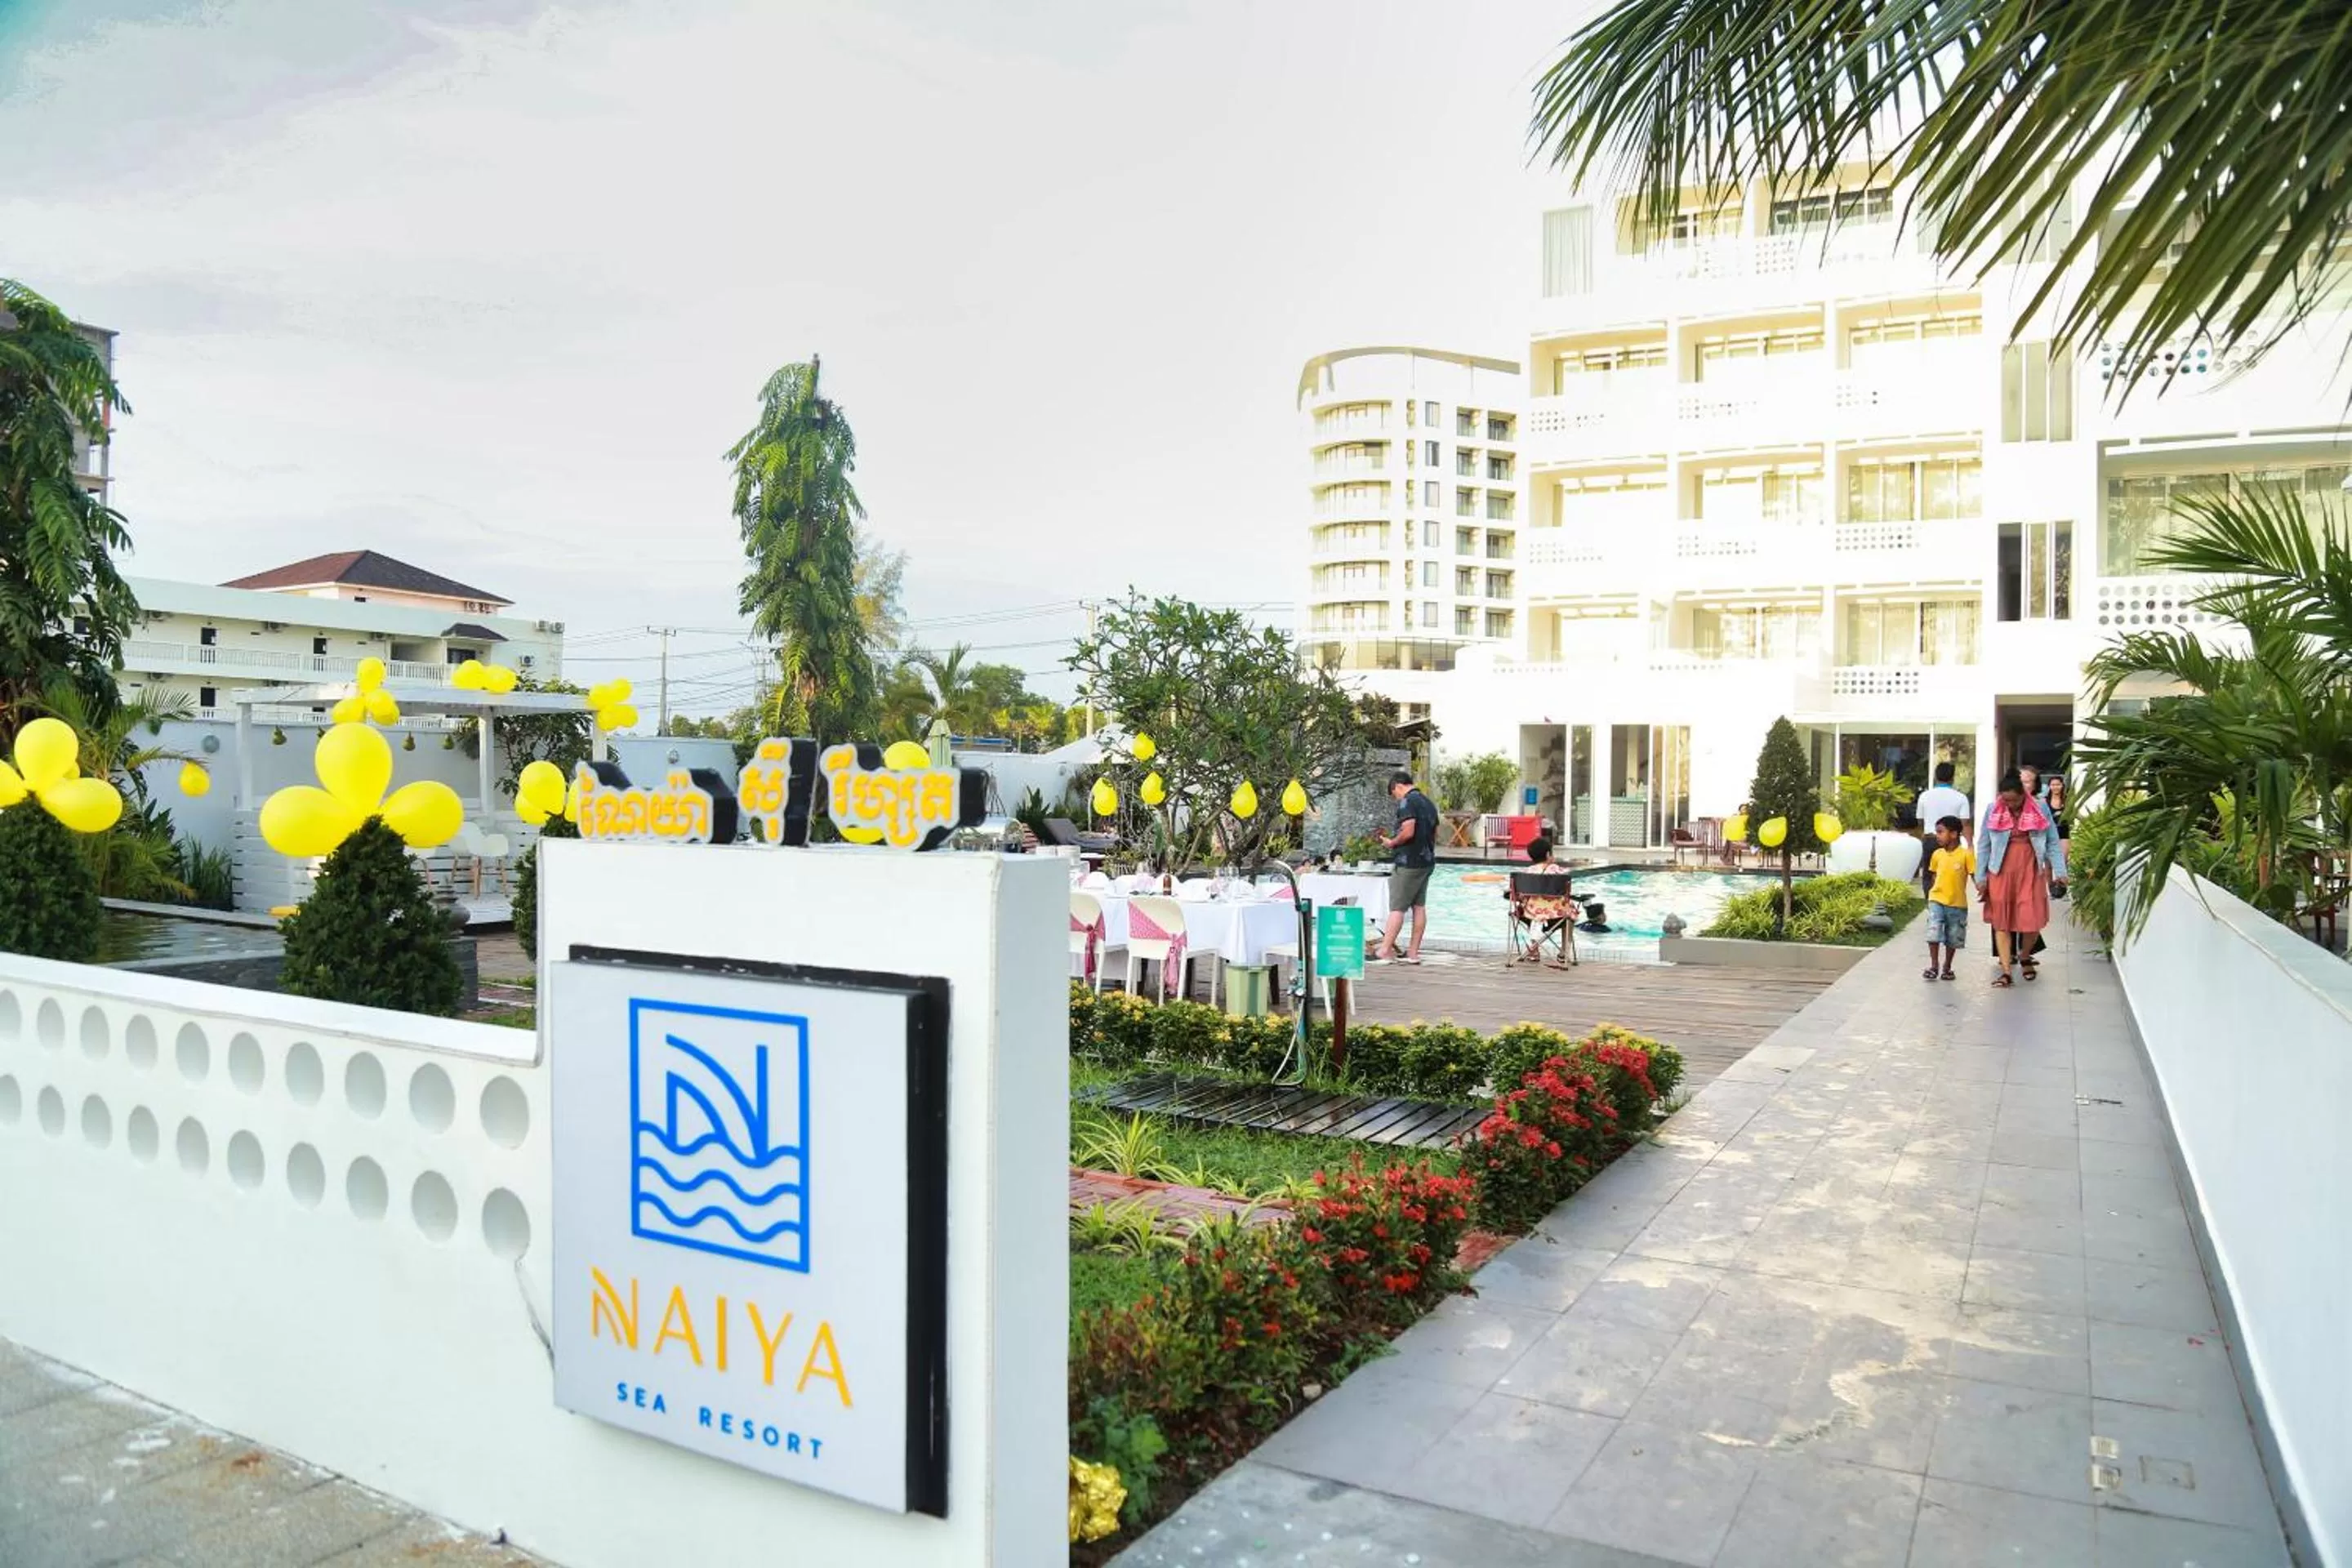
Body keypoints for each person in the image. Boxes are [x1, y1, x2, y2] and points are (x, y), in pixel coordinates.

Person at [1976, 769, 2066, 988]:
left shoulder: (2040, 807)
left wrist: (2060, 871)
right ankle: (2006, 971)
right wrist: (1980, 876)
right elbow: (1984, 844)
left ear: (2023, 794)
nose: (2010, 805)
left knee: (2031, 920)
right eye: (2006, 800)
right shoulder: (1993, 809)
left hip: (2030, 869)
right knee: (2001, 922)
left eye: (2014, 801)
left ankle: (2025, 955)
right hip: (2000, 871)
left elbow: (2052, 842)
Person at [1374, 769, 1437, 963]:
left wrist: (1392, 843)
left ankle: (1385, 950)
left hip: (1408, 862)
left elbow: (1408, 831)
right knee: (1419, 907)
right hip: (1427, 861)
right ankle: (1413, 952)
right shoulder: (1429, 803)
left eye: (1395, 794)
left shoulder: (1407, 802)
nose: (1397, 799)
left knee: (1397, 908)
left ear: (1399, 786)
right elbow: (1434, 833)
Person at [1505, 835, 1574, 963]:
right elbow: (1567, 890)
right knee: (1571, 911)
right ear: (1548, 854)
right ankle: (1564, 952)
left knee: (1529, 907)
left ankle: (1534, 950)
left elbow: (1515, 895)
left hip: (1530, 916)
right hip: (1557, 917)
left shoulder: (1525, 874)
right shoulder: (1559, 871)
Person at [1922, 815, 1975, 982]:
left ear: (1953, 834)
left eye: (1940, 832)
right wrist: (1930, 895)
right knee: (1933, 932)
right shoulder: (1937, 854)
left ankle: (1947, 967)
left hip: (1957, 904)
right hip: (1936, 900)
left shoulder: (1966, 855)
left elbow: (1974, 875)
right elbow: (1934, 876)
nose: (1937, 836)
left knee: (1953, 937)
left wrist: (1984, 890)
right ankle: (1934, 966)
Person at [1913, 761, 1972, 893]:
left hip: (1930, 839)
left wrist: (1923, 835)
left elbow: (1920, 821)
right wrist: (1970, 845)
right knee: (1952, 874)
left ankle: (1931, 902)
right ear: (1952, 778)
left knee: (1929, 875)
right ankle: (1949, 900)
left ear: (1935, 776)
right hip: (1952, 841)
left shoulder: (1925, 796)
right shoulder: (1961, 798)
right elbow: (1965, 824)